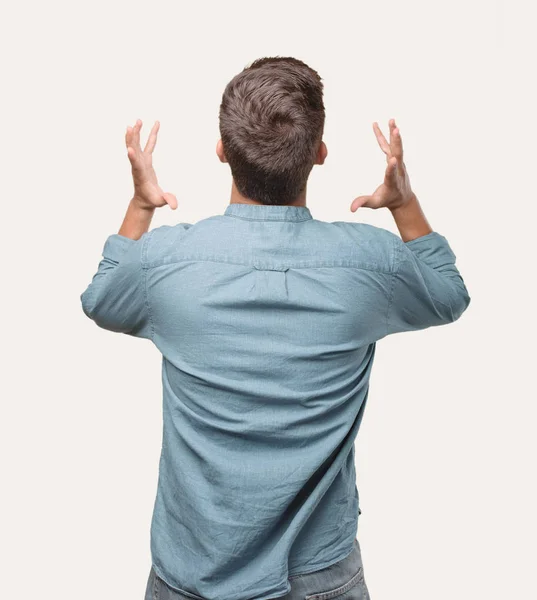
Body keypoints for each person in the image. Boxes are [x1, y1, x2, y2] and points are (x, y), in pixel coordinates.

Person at [80, 56, 471, 600]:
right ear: (320, 154)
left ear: (222, 151)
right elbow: (448, 293)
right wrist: (404, 203)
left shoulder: (163, 263)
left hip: (192, 571)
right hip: (317, 575)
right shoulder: (369, 264)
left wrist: (141, 205)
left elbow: (102, 298)